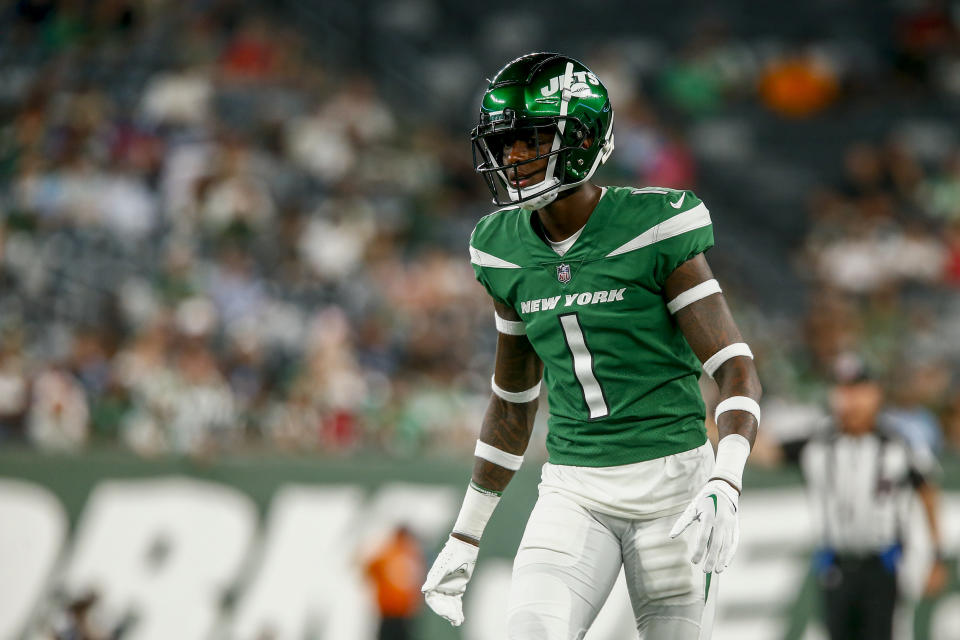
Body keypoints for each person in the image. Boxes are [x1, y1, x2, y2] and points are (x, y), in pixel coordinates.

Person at [420, 52, 762, 639]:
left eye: (529, 140)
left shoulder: (653, 225)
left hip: (674, 486)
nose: (512, 158)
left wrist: (725, 478)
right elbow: (511, 401)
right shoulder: (500, 247)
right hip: (574, 486)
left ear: (580, 139)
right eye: (505, 143)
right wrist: (465, 533)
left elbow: (735, 369)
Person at [800, 355, 947, 640]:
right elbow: (766, 448)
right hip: (835, 564)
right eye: (843, 390)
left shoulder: (898, 442)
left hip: (882, 565)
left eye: (857, 389)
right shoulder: (818, 442)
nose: (850, 399)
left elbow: (928, 491)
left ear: (875, 393)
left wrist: (936, 555)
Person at [365, 526, 426, 640]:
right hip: (399, 612)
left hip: (393, 611)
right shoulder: (412, 555)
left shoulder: (388, 553)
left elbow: (369, 570)